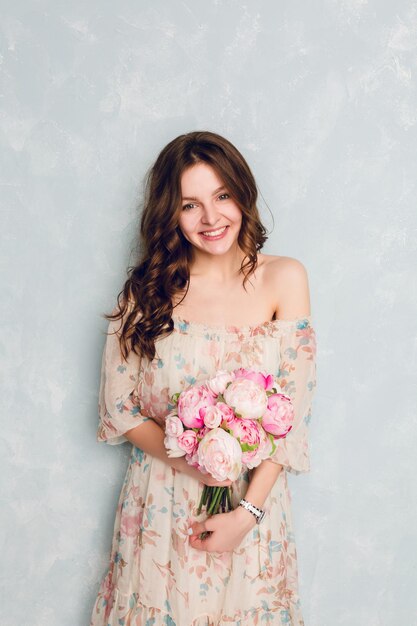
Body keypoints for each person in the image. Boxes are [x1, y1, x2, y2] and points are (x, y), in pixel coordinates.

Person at [89, 130, 317, 626]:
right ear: (170, 213)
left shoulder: (285, 278)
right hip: (160, 506)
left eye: (222, 196)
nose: (211, 219)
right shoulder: (148, 289)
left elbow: (292, 414)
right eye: (190, 204)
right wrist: (200, 465)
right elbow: (119, 407)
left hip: (250, 507)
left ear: (243, 194)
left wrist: (245, 514)